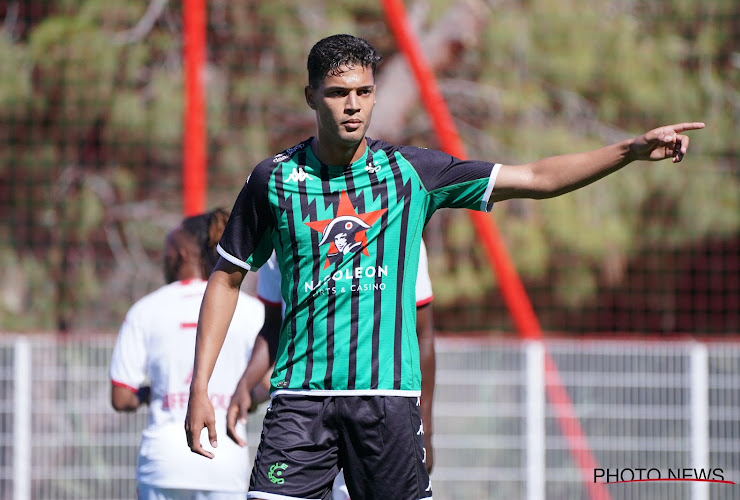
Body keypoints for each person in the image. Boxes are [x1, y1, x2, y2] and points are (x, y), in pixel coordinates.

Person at [184, 33, 704, 499]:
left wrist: (629, 150)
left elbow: (538, 177)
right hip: (299, 400)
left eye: (363, 93)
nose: (353, 106)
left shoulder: (411, 171)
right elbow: (227, 279)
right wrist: (200, 387)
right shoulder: (272, 180)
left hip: (386, 403)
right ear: (311, 97)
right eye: (338, 93)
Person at [224, 239, 436, 500]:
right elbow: (273, 328)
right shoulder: (280, 219)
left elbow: (423, 332)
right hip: (304, 408)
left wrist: (427, 427)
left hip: (376, 406)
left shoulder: (399, 217)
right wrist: (244, 386)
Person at [110, 208, 266, 500]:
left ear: (181, 253)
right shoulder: (251, 311)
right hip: (224, 460)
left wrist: (151, 394)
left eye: (167, 249)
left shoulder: (145, 310)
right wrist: (243, 397)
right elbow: (270, 381)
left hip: (163, 464)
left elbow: (121, 397)